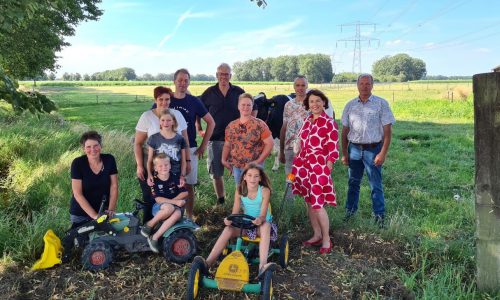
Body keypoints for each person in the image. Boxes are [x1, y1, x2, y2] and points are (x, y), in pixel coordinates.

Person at [192, 164, 278, 277]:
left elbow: (263, 215)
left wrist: (259, 220)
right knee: (228, 229)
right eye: (250, 175)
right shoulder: (240, 190)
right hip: (247, 225)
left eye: (256, 176)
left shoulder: (264, 191)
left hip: (262, 226)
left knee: (265, 225)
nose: (253, 179)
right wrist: (229, 219)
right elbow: (235, 212)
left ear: (260, 178)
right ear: (244, 177)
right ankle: (208, 263)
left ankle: (262, 266)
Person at [341, 74, 395, 227]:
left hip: (373, 149)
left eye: (367, 84)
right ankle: (350, 213)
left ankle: (379, 216)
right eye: (361, 83)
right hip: (355, 149)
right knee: (353, 183)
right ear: (357, 85)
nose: (364, 86)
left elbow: (387, 131)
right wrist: (345, 153)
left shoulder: (381, 104)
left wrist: (382, 153)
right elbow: (344, 131)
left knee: (375, 184)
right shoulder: (350, 105)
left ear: (372, 85)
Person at [291, 89, 339, 254]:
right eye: (312, 101)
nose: (315, 104)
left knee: (318, 204)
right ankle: (317, 234)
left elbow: (333, 146)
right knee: (309, 202)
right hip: (304, 165)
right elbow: (301, 140)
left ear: (324, 102)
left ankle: (326, 239)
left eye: (318, 101)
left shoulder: (329, 122)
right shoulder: (307, 120)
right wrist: (297, 146)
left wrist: (330, 163)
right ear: (308, 105)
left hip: (319, 166)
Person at [134, 86, 189, 223]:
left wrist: (187, 161)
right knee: (150, 198)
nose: (164, 102)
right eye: (161, 99)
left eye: (167, 99)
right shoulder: (147, 116)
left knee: (174, 196)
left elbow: (184, 140)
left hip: (174, 169)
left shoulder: (177, 115)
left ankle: (169, 230)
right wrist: (140, 165)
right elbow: (138, 143)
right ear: (155, 99)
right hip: (154, 167)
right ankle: (148, 227)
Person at [170, 68, 215, 219]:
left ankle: (189, 217)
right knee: (170, 184)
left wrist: (203, 146)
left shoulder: (194, 101)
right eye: (180, 80)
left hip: (190, 148)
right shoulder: (167, 99)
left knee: (188, 185)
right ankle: (171, 216)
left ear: (189, 82)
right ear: (174, 81)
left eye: (186, 80)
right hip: (168, 148)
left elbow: (211, 122)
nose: (183, 83)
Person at [200, 63, 246, 205]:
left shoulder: (238, 91)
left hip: (237, 140)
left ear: (230, 76)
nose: (224, 77)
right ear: (217, 75)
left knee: (241, 172)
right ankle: (221, 200)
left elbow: (253, 107)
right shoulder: (209, 92)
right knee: (216, 172)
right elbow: (198, 109)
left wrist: (247, 124)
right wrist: (198, 128)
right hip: (215, 139)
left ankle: (243, 200)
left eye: (226, 74)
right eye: (221, 74)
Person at [221, 93, 274, 183]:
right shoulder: (231, 126)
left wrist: (258, 161)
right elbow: (227, 144)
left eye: (248, 105)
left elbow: (270, 143)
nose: (246, 107)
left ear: (252, 106)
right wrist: (223, 159)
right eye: (243, 105)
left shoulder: (259, 124)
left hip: (254, 167)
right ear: (238, 106)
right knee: (240, 190)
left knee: (254, 192)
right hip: (237, 166)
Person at [69, 131, 118, 228]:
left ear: (101, 146)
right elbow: (77, 194)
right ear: (84, 149)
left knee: (106, 241)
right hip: (81, 214)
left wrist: (111, 209)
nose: (93, 149)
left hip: (104, 211)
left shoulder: (109, 160)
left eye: (96, 145)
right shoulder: (78, 163)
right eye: (88, 147)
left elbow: (114, 186)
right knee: (83, 242)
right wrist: (95, 216)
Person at [140, 154, 188, 253]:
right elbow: (158, 200)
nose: (164, 167)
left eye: (166, 165)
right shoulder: (154, 180)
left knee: (178, 213)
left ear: (170, 165)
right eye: (160, 166)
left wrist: (176, 201)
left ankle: (155, 237)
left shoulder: (175, 177)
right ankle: (149, 224)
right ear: (155, 168)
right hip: (158, 208)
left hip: (173, 206)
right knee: (169, 208)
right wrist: (176, 202)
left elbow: (185, 192)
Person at [279, 76, 310, 199]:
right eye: (297, 85)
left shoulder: (312, 103)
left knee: (307, 182)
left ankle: (310, 212)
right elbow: (284, 127)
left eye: (303, 85)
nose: (300, 88)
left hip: (307, 151)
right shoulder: (288, 105)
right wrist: (281, 151)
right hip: (290, 149)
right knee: (290, 180)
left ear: (307, 86)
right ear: (294, 87)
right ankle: (288, 211)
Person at [146, 109, 187, 185]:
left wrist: (182, 176)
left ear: (173, 121)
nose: (165, 123)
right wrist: (149, 174)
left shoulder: (180, 139)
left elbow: (183, 161)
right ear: (159, 122)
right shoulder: (153, 138)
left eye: (168, 120)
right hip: (159, 176)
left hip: (176, 175)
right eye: (163, 120)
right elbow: (149, 160)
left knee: (179, 196)